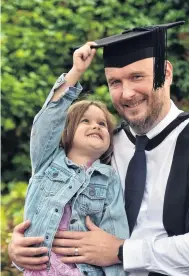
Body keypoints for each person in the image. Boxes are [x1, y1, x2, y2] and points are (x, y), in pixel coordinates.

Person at [8, 21, 189, 276]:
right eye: (115, 82)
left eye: (137, 77)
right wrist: (23, 250)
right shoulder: (105, 145)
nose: (126, 94)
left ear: (166, 73)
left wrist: (122, 252)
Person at [14, 41, 129, 276]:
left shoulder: (108, 179)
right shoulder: (47, 161)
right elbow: (48, 120)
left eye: (102, 124)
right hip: (43, 269)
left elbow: (115, 232)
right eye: (85, 121)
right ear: (66, 132)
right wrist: (76, 72)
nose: (96, 126)